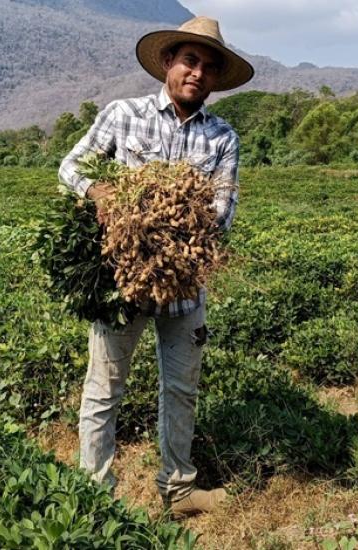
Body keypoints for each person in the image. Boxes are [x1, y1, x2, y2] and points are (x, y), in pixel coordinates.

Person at [57, 15, 254, 517]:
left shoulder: (223, 138)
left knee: (182, 388)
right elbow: (71, 167)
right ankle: (94, 494)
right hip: (121, 285)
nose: (198, 73)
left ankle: (178, 490)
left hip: (185, 289)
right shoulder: (124, 115)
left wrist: (160, 231)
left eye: (209, 67)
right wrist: (100, 192)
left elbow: (220, 217)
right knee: (103, 391)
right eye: (190, 60)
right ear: (168, 62)